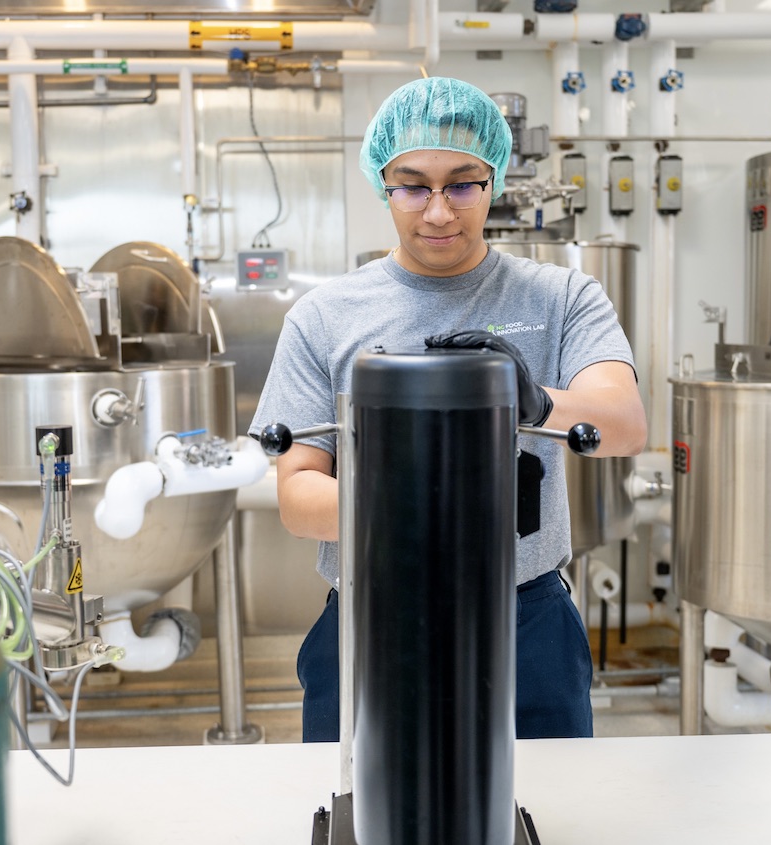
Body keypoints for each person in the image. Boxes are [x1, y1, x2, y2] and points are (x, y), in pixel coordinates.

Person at [248, 76, 647, 743]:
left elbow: (624, 423)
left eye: (463, 183)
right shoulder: (323, 315)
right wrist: (406, 505)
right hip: (372, 617)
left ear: (495, 178)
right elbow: (296, 494)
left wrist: (535, 397)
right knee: (362, 817)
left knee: (546, 811)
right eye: (413, 185)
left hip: (524, 621)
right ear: (383, 183)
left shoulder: (560, 297)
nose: (438, 212)